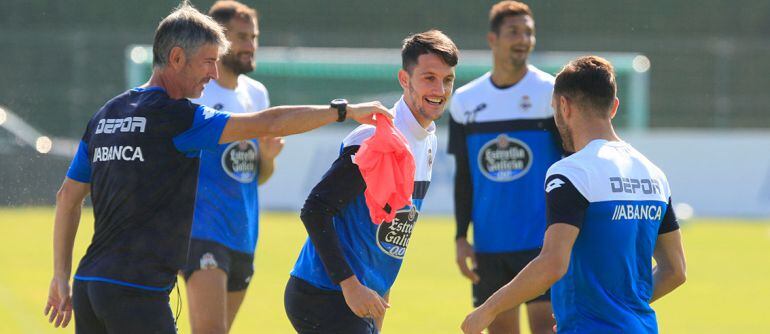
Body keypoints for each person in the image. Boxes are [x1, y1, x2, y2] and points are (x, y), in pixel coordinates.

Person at [43, 3, 391, 333]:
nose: (213, 72)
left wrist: (61, 275)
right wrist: (343, 111)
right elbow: (270, 123)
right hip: (136, 292)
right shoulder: (179, 118)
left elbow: (67, 197)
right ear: (176, 58)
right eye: (207, 62)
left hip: (90, 285)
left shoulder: (106, 115)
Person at [461, 56, 687, 334]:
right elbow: (675, 271)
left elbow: (552, 263)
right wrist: (620, 306)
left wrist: (487, 310)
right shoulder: (653, 174)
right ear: (613, 107)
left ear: (564, 106)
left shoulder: (571, 172)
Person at [284, 30, 458, 334]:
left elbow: (391, 238)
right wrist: (351, 286)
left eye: (448, 80)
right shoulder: (376, 138)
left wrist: (376, 302)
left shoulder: (426, 141)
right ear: (405, 79)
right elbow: (315, 210)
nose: (440, 89)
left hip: (361, 299)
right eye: (429, 78)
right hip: (323, 293)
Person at [447, 1, 561, 333]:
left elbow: (571, 164)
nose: (523, 39)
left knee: (546, 329)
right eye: (514, 32)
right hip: (490, 245)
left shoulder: (550, 93)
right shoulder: (466, 101)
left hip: (543, 244)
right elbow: (465, 175)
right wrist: (460, 236)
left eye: (529, 32)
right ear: (492, 39)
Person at [179, 2, 281, 333]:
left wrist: (266, 157)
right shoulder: (195, 94)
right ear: (218, 39)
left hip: (244, 236)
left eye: (254, 37)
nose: (251, 45)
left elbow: (257, 177)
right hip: (202, 232)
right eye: (241, 37)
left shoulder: (257, 95)